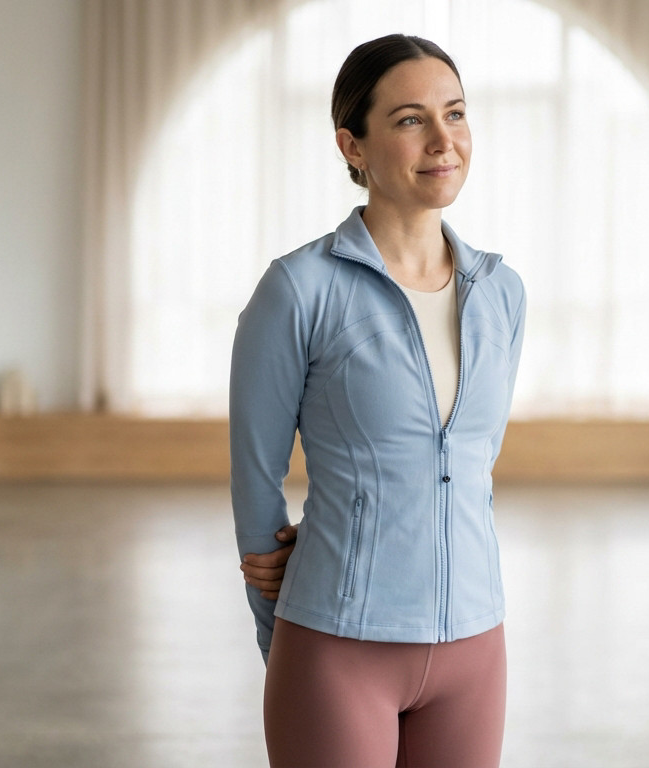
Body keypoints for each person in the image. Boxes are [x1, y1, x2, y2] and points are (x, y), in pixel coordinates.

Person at [230, 33, 526, 768]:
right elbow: (256, 477)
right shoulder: (298, 289)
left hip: (475, 642)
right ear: (352, 146)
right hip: (337, 642)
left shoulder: (501, 293)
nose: (443, 141)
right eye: (410, 120)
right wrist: (284, 629)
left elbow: (472, 467)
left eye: (455, 114)